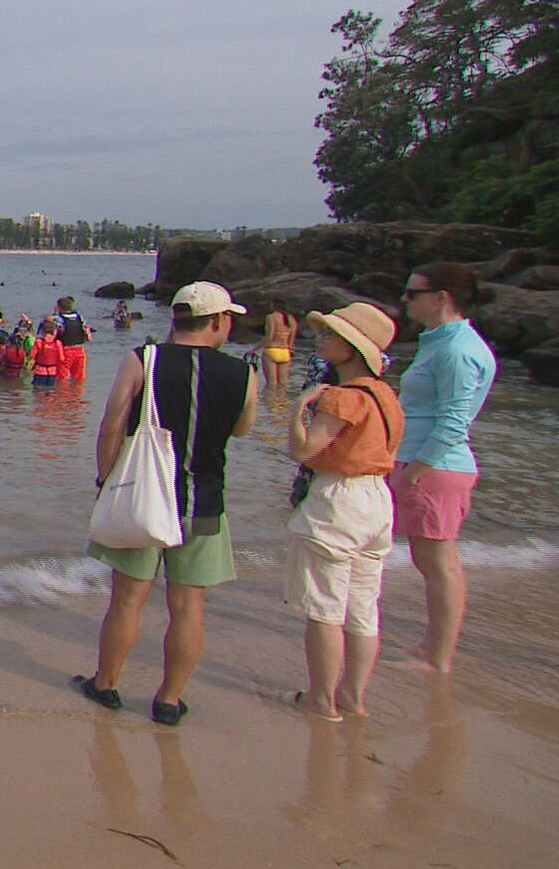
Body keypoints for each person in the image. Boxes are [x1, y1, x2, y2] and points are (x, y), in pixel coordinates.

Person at [76, 282, 258, 726]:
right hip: (204, 501)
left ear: (176, 318)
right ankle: (169, 700)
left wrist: (106, 481)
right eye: (228, 318)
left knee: (126, 601)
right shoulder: (243, 374)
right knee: (189, 606)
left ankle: (107, 684)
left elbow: (112, 424)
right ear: (216, 321)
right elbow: (241, 430)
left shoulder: (143, 359)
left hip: (143, 497)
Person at [284, 303, 402, 720]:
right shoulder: (385, 394)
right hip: (377, 499)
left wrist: (300, 407)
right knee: (363, 607)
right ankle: (353, 695)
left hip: (340, 499)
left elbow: (305, 450)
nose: (321, 339)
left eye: (330, 335)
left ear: (352, 348)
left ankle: (320, 698)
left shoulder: (342, 397)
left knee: (325, 607)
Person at [392, 261, 497, 673]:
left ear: (442, 298)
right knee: (432, 561)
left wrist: (415, 470)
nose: (404, 300)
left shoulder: (457, 349)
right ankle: (432, 646)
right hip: (427, 464)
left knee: (440, 565)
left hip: (435, 468)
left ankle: (439, 657)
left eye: (412, 293)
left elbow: (455, 420)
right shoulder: (439, 342)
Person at [262, 299, 297, 390]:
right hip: (285, 353)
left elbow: (269, 337)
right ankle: (282, 403)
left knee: (271, 384)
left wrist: (253, 349)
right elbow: (291, 341)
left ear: (273, 305)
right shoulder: (292, 319)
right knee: (283, 384)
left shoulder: (271, 317)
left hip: (272, 351)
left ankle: (271, 403)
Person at [55, 296, 92, 380]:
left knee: (62, 378)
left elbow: (55, 334)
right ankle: (77, 393)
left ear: (59, 307)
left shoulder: (58, 319)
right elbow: (88, 336)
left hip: (65, 351)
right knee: (79, 378)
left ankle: (64, 392)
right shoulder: (80, 318)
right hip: (80, 350)